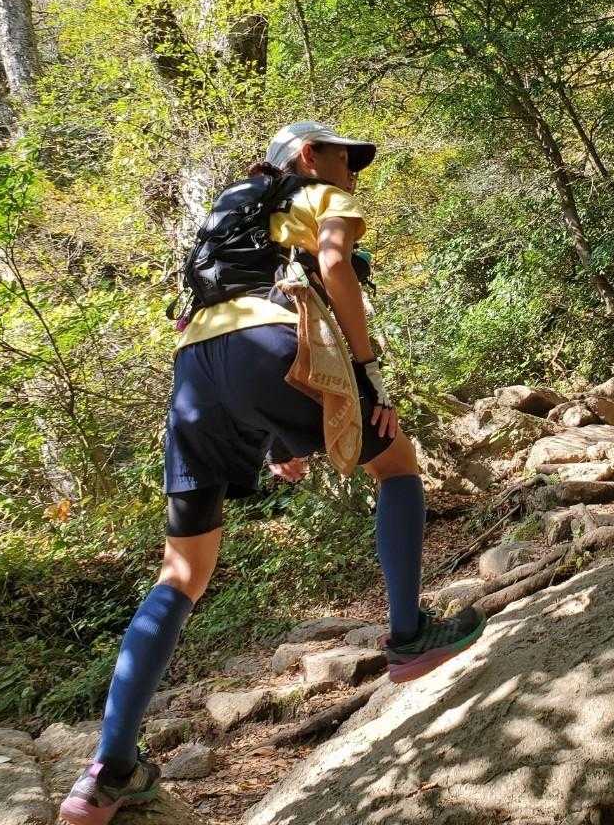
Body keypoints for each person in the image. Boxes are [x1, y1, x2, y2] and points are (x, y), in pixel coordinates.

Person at [58, 122, 485, 825]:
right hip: (269, 341)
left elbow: (220, 317)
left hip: (195, 369)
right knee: (397, 465)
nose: (354, 172)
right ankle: (410, 635)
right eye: (347, 157)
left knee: (182, 573)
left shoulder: (229, 210)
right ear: (309, 156)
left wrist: (273, 435)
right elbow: (335, 267)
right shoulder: (320, 195)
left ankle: (109, 770)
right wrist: (367, 371)